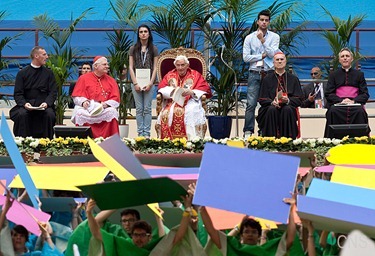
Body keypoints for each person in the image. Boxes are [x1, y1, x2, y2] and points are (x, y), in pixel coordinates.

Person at [242, 9, 280, 139]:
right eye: (261, 20)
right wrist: (261, 56)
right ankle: (248, 131)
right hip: (254, 72)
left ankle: (265, 130)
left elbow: (273, 54)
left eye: (266, 20)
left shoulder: (275, 37)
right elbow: (246, 58)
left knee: (268, 103)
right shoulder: (249, 38)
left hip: (269, 73)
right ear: (257, 22)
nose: (264, 22)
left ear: (269, 22)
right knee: (251, 104)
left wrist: (263, 40)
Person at [157, 55, 212, 140]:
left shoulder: (195, 75)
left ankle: (192, 140)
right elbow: (161, 88)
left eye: (182, 65)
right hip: (172, 101)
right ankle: (168, 141)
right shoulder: (170, 75)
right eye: (178, 65)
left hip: (190, 101)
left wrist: (192, 92)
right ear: (175, 65)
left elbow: (205, 88)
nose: (180, 67)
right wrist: (171, 91)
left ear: (187, 65)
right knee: (167, 113)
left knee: (190, 111)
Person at [86, 199, 165, 255]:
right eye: (136, 235)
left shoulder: (152, 247)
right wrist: (89, 212)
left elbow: (165, 241)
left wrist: (158, 217)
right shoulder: (125, 244)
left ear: (149, 237)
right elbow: (96, 232)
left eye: (142, 235)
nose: (138, 239)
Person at [10, 46, 57, 139]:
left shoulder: (49, 73)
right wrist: (24, 104)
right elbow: (18, 93)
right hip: (27, 104)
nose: (47, 57)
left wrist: (46, 103)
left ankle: (46, 143)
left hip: (43, 105)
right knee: (21, 114)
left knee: (49, 114)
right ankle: (23, 143)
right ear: (36, 56)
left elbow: (53, 92)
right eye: (44, 54)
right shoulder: (22, 73)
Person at [324, 47, 370, 138]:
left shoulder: (359, 75)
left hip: (355, 104)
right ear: (339, 60)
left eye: (347, 56)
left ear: (352, 59)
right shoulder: (333, 75)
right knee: (333, 111)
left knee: (360, 111)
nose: (345, 58)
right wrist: (341, 100)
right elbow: (328, 93)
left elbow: (365, 94)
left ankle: (360, 140)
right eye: (343, 56)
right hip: (338, 104)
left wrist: (353, 101)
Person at [256, 52, 303, 139]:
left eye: (282, 59)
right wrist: (272, 102)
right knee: (271, 109)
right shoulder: (267, 79)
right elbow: (262, 99)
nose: (280, 61)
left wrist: (288, 100)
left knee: (287, 109)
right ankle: (270, 140)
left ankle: (287, 141)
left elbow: (299, 99)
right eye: (277, 60)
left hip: (288, 107)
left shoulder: (294, 79)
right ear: (273, 63)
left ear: (285, 62)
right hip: (270, 108)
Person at [71, 56, 120, 138]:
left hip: (104, 109)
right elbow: (76, 96)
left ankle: (111, 142)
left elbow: (115, 99)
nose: (107, 66)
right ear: (96, 66)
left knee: (112, 112)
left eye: (107, 64)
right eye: (104, 64)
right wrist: (83, 102)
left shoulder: (111, 80)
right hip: (87, 109)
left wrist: (105, 104)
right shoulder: (83, 78)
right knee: (79, 114)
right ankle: (83, 142)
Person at [129, 24, 158, 138]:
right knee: (139, 109)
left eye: (145, 31)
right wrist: (135, 83)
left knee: (147, 109)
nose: (143, 33)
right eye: (141, 32)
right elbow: (131, 67)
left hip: (149, 82)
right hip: (136, 82)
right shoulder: (133, 48)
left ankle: (147, 134)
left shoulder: (153, 49)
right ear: (138, 34)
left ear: (149, 33)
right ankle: (140, 134)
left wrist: (151, 83)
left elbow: (155, 67)